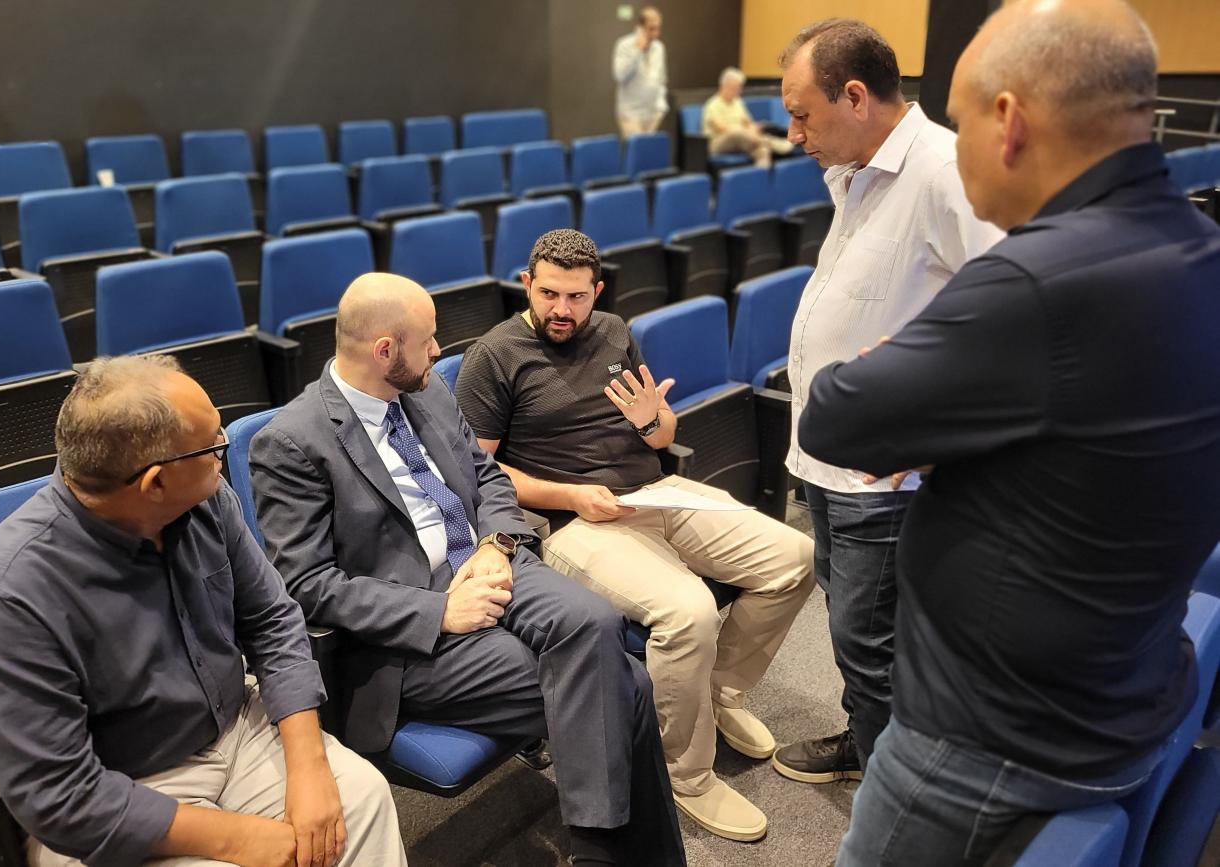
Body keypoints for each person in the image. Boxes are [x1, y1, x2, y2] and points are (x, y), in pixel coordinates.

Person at [797, 1, 1220, 863]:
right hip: (1122, 684)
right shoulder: (1195, 244)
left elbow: (839, 412)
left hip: (990, 739)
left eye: (958, 123)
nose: (950, 147)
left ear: (1009, 122)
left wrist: (920, 397)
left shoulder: (1040, 280)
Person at [249, 273, 685, 867]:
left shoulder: (426, 390)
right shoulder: (291, 442)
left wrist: (496, 545)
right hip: (413, 634)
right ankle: (608, 855)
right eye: (427, 340)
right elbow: (306, 585)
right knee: (627, 685)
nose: (438, 351)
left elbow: (488, 477)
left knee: (599, 624)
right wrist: (441, 611)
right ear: (384, 350)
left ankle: (598, 854)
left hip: (490, 563)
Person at [0, 355, 406, 867]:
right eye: (212, 445)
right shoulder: (7, 599)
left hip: (236, 726)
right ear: (155, 484)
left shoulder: (204, 498)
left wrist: (309, 768)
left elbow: (272, 620)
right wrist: (237, 839)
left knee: (361, 801)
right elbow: (62, 797)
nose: (223, 451)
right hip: (124, 785)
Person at [454, 229, 815, 843]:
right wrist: (570, 495)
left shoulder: (615, 331)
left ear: (596, 292)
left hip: (653, 491)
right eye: (548, 294)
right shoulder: (494, 356)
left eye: (576, 297)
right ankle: (684, 772)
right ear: (527, 285)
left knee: (796, 557)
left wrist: (653, 421)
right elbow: (478, 471)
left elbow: (659, 431)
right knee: (688, 611)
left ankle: (718, 694)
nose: (562, 310)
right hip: (571, 520)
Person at [770, 18, 1004, 787]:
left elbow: (1009, 320)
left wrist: (939, 440)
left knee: (871, 642)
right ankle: (866, 740)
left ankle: (890, 805)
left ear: (856, 96)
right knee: (854, 632)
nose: (794, 134)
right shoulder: (858, 169)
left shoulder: (943, 172)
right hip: (829, 463)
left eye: (802, 114)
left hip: (883, 478)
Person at [702, 67, 793, 167]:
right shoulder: (712, 104)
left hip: (742, 140)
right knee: (736, 133)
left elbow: (749, 123)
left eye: (739, 88)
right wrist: (745, 131)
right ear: (725, 86)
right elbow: (722, 128)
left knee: (761, 149)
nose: (739, 91)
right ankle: (769, 142)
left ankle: (761, 174)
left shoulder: (737, 102)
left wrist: (753, 129)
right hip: (717, 143)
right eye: (736, 88)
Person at [613, 6, 667, 137]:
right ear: (640, 27)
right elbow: (620, 75)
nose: (656, 34)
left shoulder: (659, 47)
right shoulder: (624, 45)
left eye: (658, 29)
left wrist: (661, 106)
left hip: (653, 113)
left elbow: (662, 78)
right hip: (631, 113)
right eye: (651, 29)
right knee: (637, 149)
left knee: (649, 150)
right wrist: (637, 51)